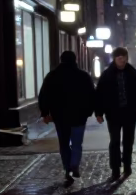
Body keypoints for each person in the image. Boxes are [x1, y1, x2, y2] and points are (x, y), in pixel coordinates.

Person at [38, 51, 96, 184]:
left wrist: (45, 113)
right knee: (76, 143)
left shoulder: (52, 76)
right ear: (75, 60)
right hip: (79, 116)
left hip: (60, 116)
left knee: (64, 144)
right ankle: (74, 164)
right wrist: (89, 111)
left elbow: (44, 95)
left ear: (61, 60)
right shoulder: (83, 76)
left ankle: (67, 168)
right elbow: (92, 95)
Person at [94, 46, 136, 180]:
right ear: (115, 59)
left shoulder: (133, 73)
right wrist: (99, 113)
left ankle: (127, 165)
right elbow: (99, 94)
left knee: (128, 141)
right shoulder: (107, 74)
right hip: (113, 114)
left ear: (127, 58)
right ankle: (115, 168)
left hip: (130, 113)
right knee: (115, 141)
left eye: (123, 57)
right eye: (119, 58)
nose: (121, 60)